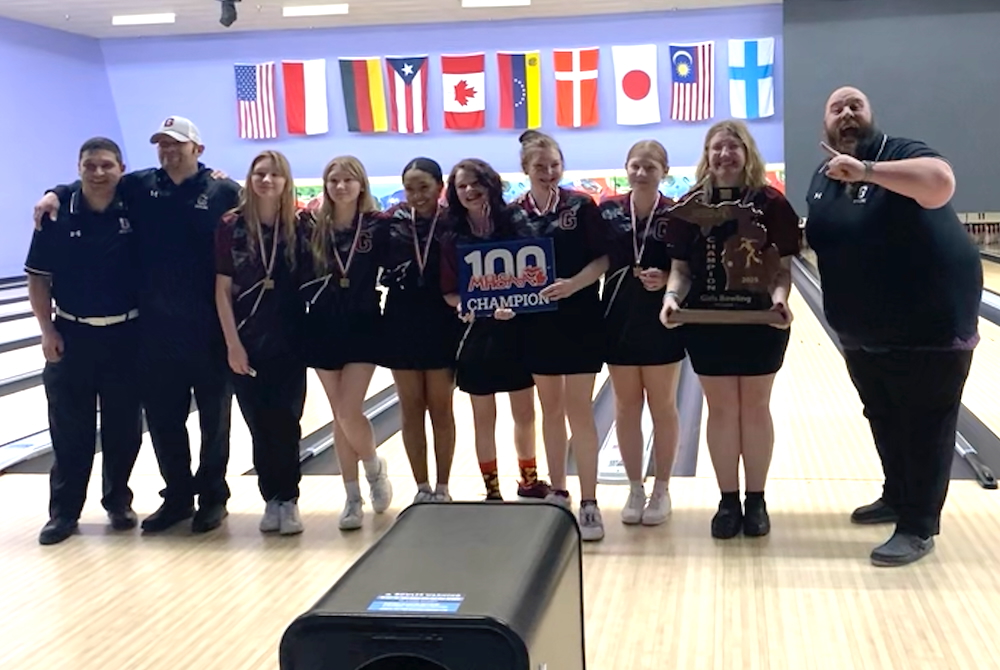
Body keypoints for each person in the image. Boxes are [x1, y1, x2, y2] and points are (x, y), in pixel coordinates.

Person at [33, 116, 242, 534]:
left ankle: (213, 498)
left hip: (209, 328)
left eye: (176, 144)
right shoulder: (141, 186)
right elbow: (93, 182)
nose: (168, 150)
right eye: (161, 144)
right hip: (155, 331)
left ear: (198, 150)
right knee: (164, 421)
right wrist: (52, 194)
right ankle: (179, 497)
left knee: (213, 421)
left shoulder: (224, 190)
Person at [804, 86, 981, 567]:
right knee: (883, 414)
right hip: (866, 329)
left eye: (854, 105)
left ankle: (918, 525)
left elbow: (940, 183)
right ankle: (897, 495)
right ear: (825, 122)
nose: (846, 113)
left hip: (932, 321)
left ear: (870, 114)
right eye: (836, 107)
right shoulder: (822, 179)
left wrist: (867, 171)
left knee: (925, 421)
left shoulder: (899, 153)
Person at [660, 120, 800, 540]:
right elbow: (680, 272)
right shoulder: (689, 206)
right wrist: (671, 298)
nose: (725, 155)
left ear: (747, 153)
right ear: (707, 155)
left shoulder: (772, 204)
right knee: (722, 411)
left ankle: (755, 500)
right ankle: (727, 500)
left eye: (733, 147)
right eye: (717, 147)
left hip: (760, 322)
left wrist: (781, 299)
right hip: (708, 325)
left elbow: (783, 271)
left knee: (755, 409)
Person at [25, 137, 142, 545]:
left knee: (124, 428)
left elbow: (180, 180)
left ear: (121, 168)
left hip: (125, 336)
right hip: (72, 335)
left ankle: (118, 502)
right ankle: (64, 513)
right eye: (90, 165)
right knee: (69, 430)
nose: (98, 172)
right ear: (78, 168)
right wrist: (47, 330)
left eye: (106, 165)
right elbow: (38, 278)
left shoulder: (135, 202)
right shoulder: (56, 214)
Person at [512, 131, 609, 541]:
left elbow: (603, 258)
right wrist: (506, 301)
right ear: (526, 170)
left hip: (581, 315)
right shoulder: (513, 213)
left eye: (554, 165)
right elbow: (503, 270)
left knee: (579, 411)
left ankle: (589, 501)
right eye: (540, 167)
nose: (548, 172)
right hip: (537, 322)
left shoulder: (581, 206)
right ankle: (558, 492)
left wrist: (575, 284)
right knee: (549, 410)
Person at [439, 158, 550, 502]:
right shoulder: (452, 231)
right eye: (462, 186)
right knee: (482, 417)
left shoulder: (513, 219)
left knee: (524, 414)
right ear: (455, 193)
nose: (470, 190)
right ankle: (492, 491)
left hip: (515, 330)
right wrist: (464, 305)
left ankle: (529, 482)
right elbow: (449, 290)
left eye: (477, 183)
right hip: (475, 334)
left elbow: (536, 268)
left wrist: (517, 304)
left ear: (490, 184)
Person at [298, 155, 392, 530]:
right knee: (340, 415)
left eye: (347, 180)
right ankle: (352, 497)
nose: (340, 186)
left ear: (361, 185)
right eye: (333, 180)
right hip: (322, 324)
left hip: (364, 322)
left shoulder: (377, 226)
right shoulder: (311, 227)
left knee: (349, 410)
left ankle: (373, 469)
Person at [215, 150, 306, 536]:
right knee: (258, 425)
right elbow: (221, 291)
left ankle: (290, 499)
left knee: (286, 422)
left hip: (290, 339)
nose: (266, 180)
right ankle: (271, 498)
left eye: (274, 174)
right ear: (250, 180)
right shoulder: (231, 226)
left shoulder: (301, 225)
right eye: (259, 174)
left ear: (285, 182)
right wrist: (233, 345)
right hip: (246, 340)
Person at [599, 140, 683, 526]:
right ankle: (635, 487)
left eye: (650, 166)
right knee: (625, 407)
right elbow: (592, 258)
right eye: (635, 165)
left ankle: (662, 489)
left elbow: (692, 267)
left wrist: (666, 278)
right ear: (626, 168)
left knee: (662, 406)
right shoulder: (609, 211)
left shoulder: (678, 213)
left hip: (661, 318)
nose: (641, 172)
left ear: (664, 171)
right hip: (618, 316)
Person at [380, 158, 461, 503]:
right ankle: (422, 488)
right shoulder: (391, 223)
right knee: (411, 406)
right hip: (402, 318)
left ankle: (443, 486)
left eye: (424, 187)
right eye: (410, 188)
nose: (416, 195)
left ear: (440, 188)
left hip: (443, 318)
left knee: (441, 406)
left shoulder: (453, 223)